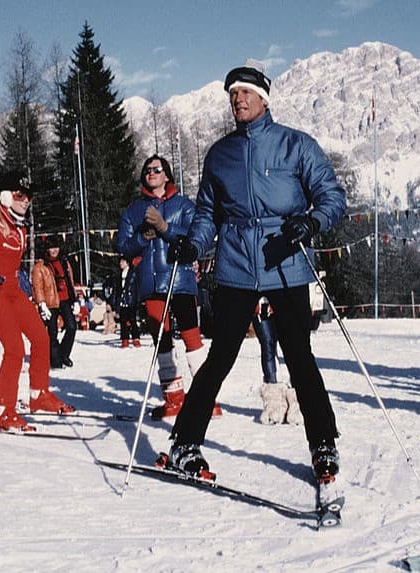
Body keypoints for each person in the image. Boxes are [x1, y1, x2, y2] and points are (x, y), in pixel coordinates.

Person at [164, 62, 345, 482]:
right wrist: (193, 243)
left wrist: (311, 221)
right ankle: (184, 443)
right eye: (232, 94)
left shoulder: (295, 145)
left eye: (245, 92)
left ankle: (324, 444)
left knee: (299, 357)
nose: (237, 99)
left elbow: (332, 196)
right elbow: (208, 212)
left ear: (265, 99)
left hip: (286, 262)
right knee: (220, 357)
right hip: (236, 266)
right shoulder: (221, 154)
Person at [0, 171, 75, 431]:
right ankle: (3, 411)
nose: (26, 201)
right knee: (14, 349)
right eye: (20, 195)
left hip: (14, 291)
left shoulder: (18, 229)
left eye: (29, 197)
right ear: (5, 197)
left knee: (41, 338)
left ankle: (38, 394)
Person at [117, 154, 217, 420]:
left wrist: (164, 228)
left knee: (192, 337)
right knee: (161, 340)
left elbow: (195, 235)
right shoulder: (134, 210)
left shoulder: (183, 204)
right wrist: (142, 236)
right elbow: (123, 246)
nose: (151, 173)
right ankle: (173, 398)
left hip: (180, 278)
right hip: (151, 282)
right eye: (147, 170)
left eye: (157, 169)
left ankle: (206, 397)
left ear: (167, 175)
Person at [253, 298, 304, 425]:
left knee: (293, 346)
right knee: (268, 345)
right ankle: (274, 403)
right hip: (261, 301)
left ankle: (297, 402)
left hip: (284, 298)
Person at [31, 237, 66, 369]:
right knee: (47, 335)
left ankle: (54, 360)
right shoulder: (39, 268)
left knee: (53, 333)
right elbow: (37, 286)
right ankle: (52, 361)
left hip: (53, 303)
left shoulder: (52, 266)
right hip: (46, 304)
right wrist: (41, 303)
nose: (54, 250)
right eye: (51, 248)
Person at [104, 256, 140, 347]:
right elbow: (116, 290)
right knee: (123, 321)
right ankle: (125, 339)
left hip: (131, 300)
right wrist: (115, 303)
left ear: (127, 263)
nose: (120, 263)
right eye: (120, 261)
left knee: (132, 320)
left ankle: (136, 338)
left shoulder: (133, 274)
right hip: (122, 300)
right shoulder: (118, 275)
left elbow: (137, 288)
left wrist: (138, 300)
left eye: (122, 261)